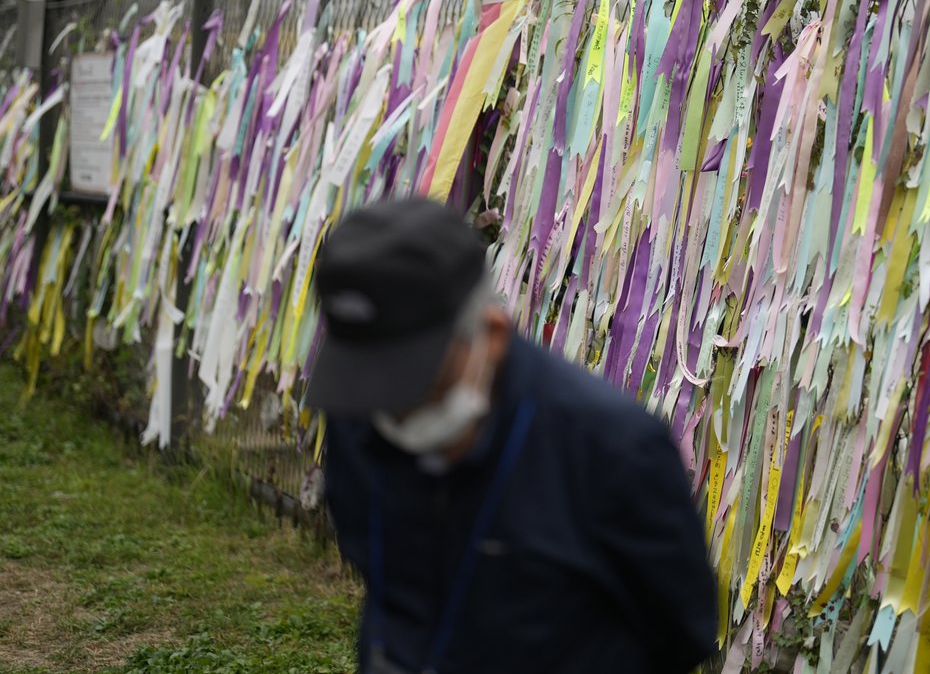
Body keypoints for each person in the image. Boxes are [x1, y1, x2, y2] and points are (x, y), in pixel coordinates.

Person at [308, 197, 719, 674]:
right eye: (368, 380)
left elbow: (683, 630)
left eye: (414, 381)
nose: (393, 409)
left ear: (492, 333)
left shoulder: (613, 449)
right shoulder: (358, 412)